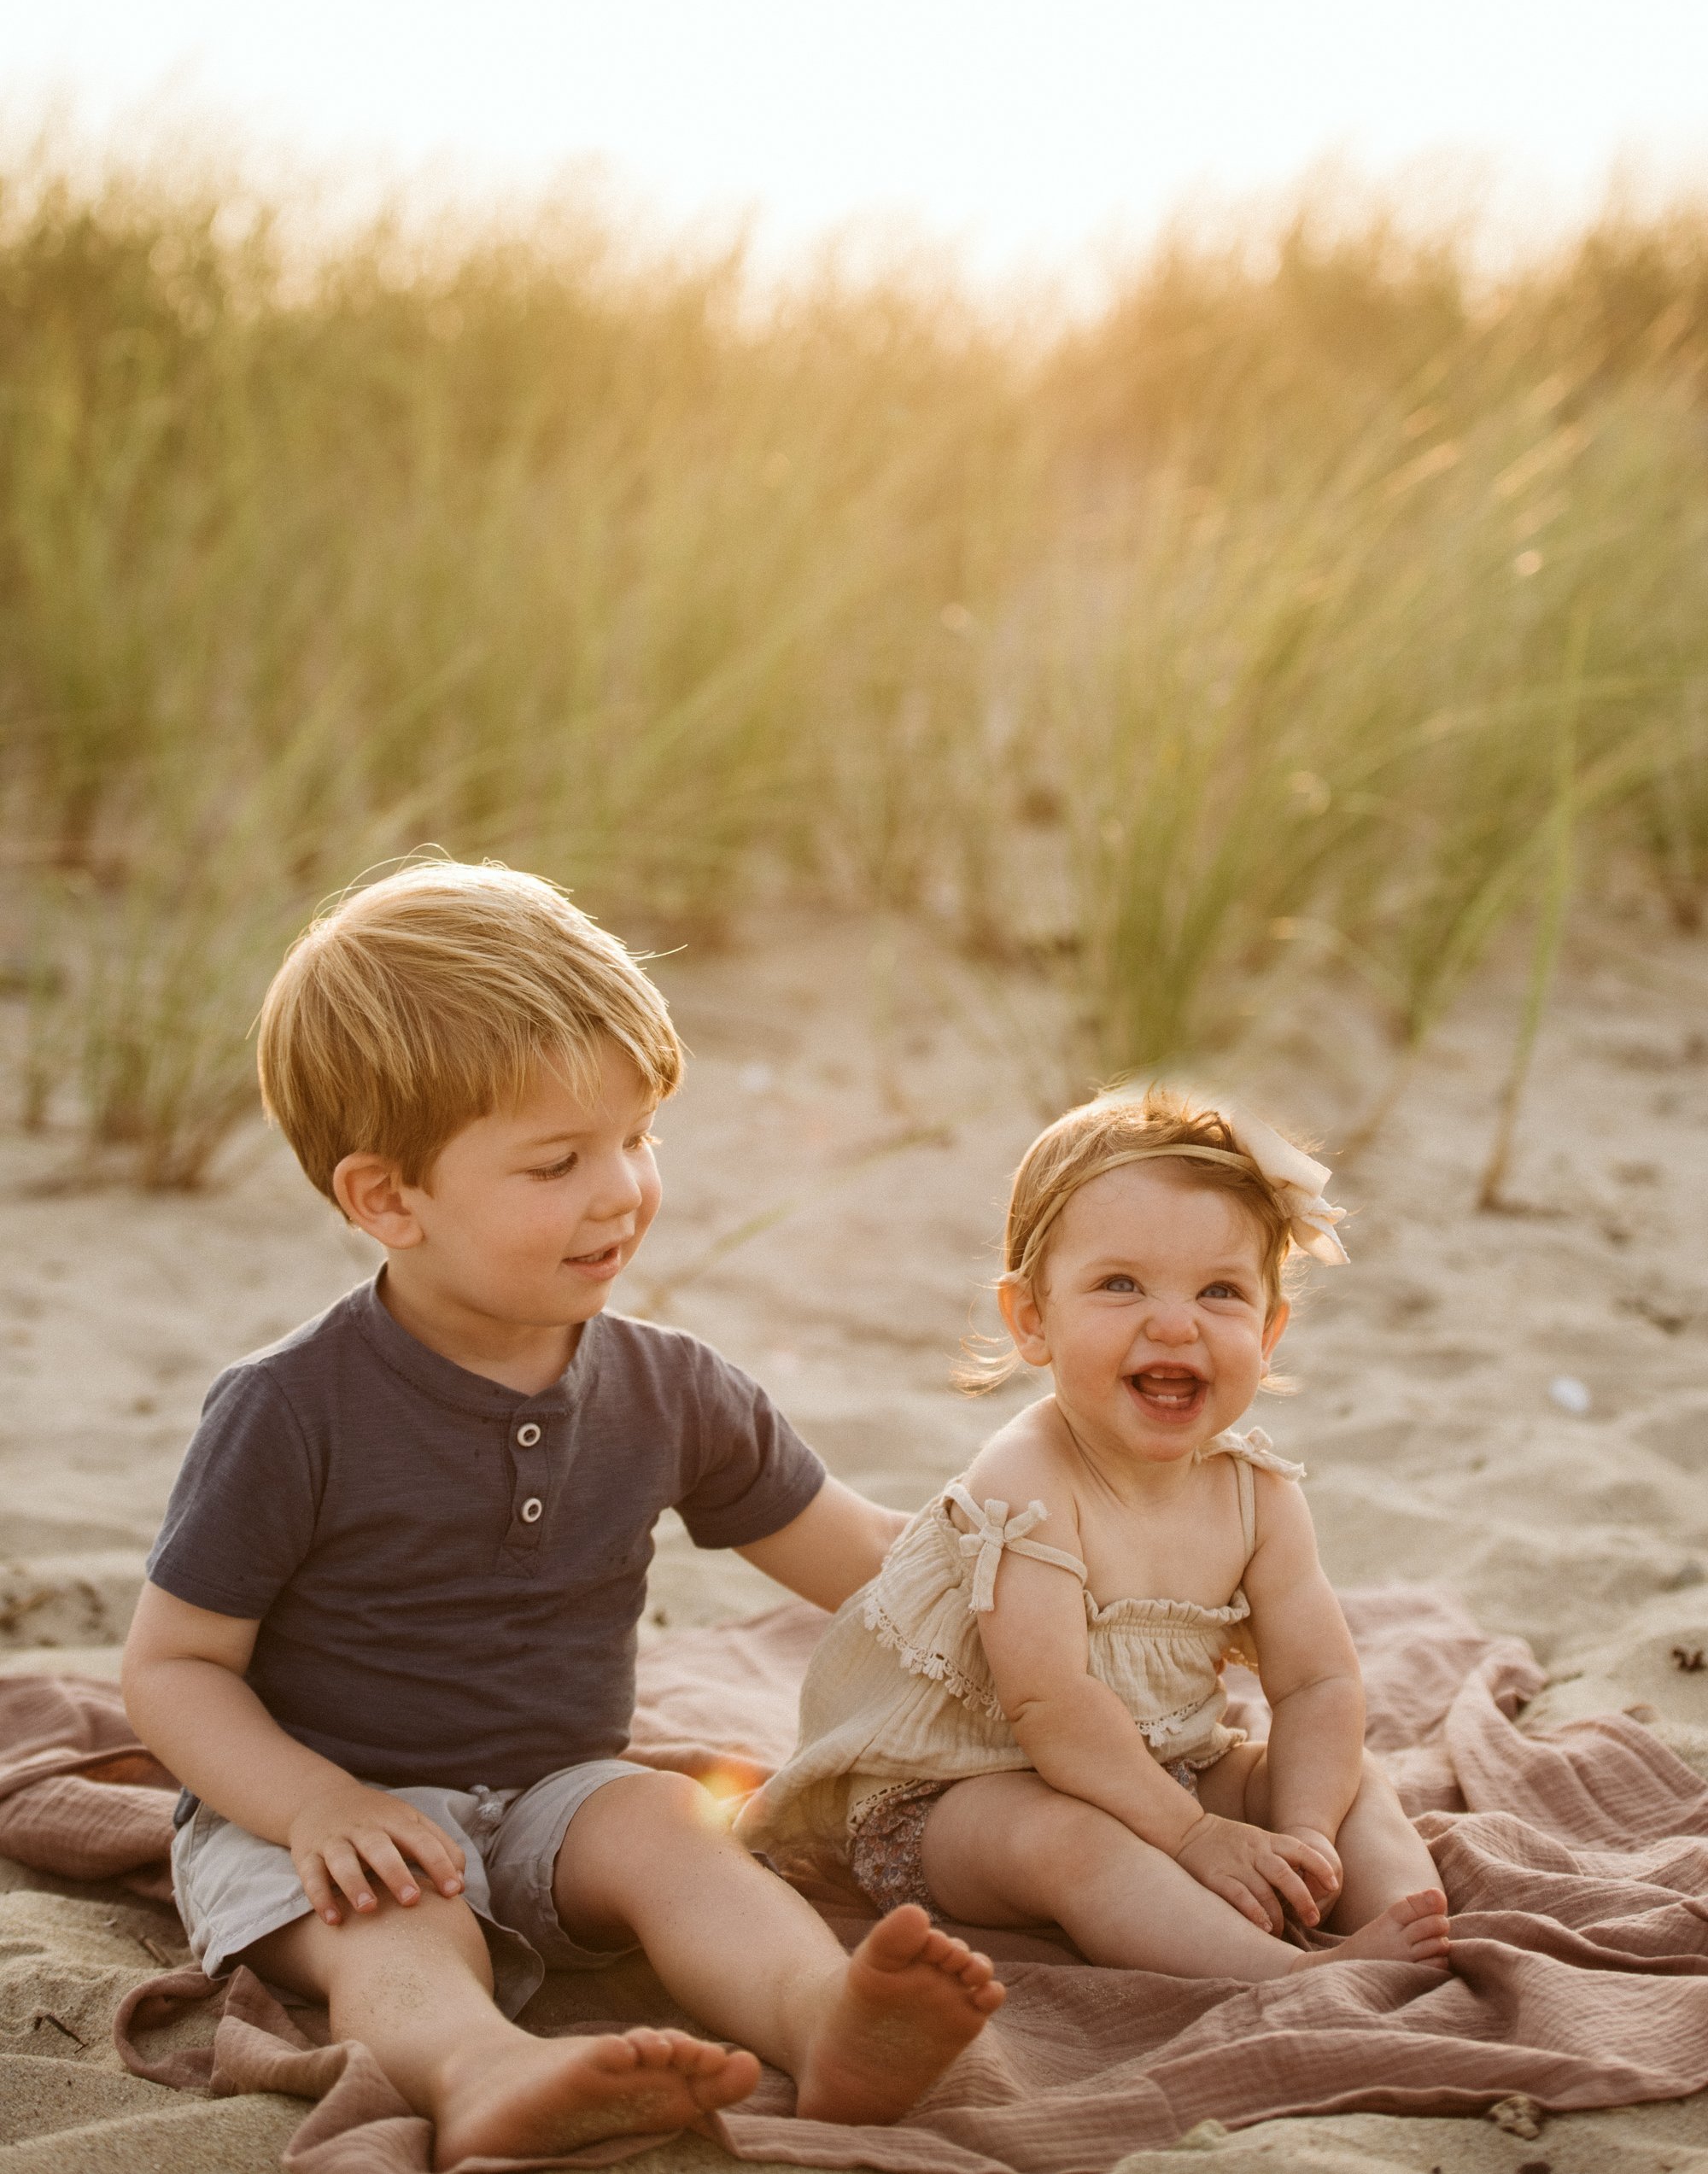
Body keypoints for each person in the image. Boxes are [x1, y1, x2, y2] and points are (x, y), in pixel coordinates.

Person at [121, 861, 1003, 2171]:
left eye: (639, 1138)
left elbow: (866, 1560)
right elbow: (173, 1668)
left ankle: (823, 2019)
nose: (622, 1190)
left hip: (553, 1791)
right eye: (558, 1161)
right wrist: (315, 1806)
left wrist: (1026, 1590)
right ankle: (481, 2072)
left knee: (672, 1829)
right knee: (402, 1924)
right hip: (322, 1818)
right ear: (387, 1199)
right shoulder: (289, 1409)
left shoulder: (672, 1386)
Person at [738, 1090, 1453, 1982]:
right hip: (961, 1795)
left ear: (1268, 1330)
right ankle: (1283, 1975)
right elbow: (1050, 1707)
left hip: (1169, 1767)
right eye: (1120, 1283)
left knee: (1348, 1780)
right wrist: (1193, 1835)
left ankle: (1391, 1923)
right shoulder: (1026, 1481)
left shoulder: (1257, 1493)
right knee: (1076, 1842)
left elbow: (1316, 1679)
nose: (1173, 1322)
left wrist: (1300, 1830)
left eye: (1220, 1291)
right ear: (1031, 1318)